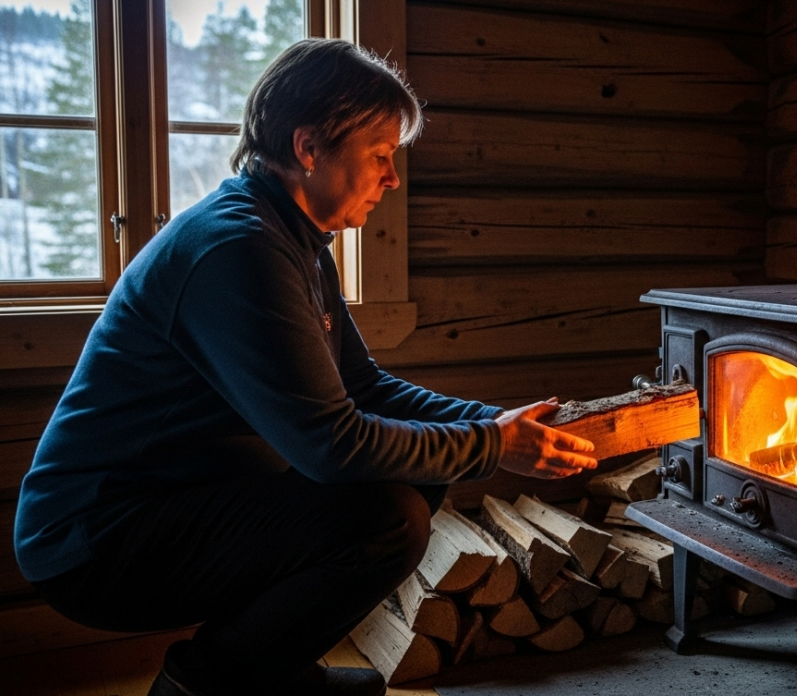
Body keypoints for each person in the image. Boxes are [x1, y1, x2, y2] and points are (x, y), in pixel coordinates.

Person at [13, 38, 597, 696]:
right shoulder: (238, 250)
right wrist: (492, 446)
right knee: (386, 519)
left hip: (175, 503)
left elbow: (364, 387)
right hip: (98, 538)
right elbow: (332, 447)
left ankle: (271, 668)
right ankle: (199, 684)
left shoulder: (296, 241)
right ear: (309, 147)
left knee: (413, 485)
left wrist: (493, 422)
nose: (393, 178)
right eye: (380, 156)